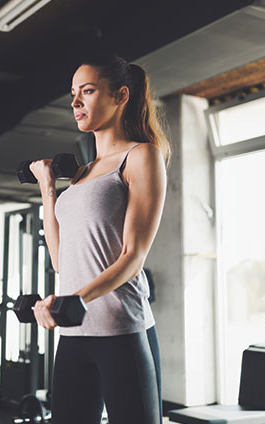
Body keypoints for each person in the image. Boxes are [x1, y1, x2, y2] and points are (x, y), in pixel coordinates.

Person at [29, 53, 170, 424]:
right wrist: (48, 188)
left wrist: (73, 299)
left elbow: (132, 255)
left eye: (87, 91)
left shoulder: (141, 157)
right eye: (73, 93)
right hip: (74, 331)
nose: (75, 102)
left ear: (121, 95)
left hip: (121, 329)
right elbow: (62, 263)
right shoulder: (82, 173)